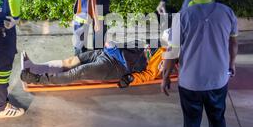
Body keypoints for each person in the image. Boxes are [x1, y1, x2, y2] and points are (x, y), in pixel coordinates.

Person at [161, 0, 238, 127]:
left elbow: (172, 51)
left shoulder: (183, 16)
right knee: (218, 120)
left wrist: (166, 76)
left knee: (192, 123)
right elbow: (233, 43)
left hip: (190, 82)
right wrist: (231, 64)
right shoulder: (226, 12)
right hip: (218, 80)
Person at [20, 40, 167, 86]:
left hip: (114, 66)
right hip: (105, 52)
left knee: (78, 72)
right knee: (71, 61)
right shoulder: (157, 41)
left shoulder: (165, 56)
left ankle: (38, 79)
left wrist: (130, 79)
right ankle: (34, 68)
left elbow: (150, 74)